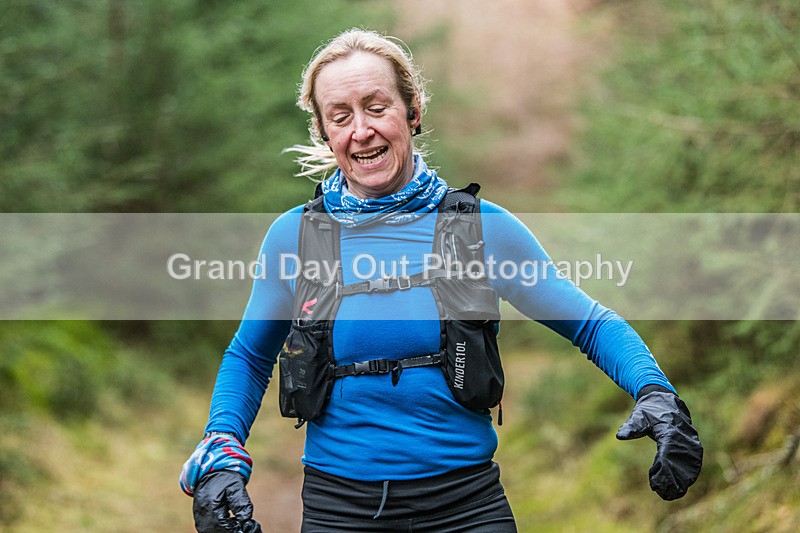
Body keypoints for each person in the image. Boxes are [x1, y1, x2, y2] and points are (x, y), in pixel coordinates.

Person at [180, 28, 703, 532]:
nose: (361, 130)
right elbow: (248, 357)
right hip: (339, 510)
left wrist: (655, 392)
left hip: (467, 507)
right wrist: (222, 449)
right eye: (341, 117)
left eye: (376, 107)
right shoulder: (294, 237)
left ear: (413, 111)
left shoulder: (478, 228)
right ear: (324, 133)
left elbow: (589, 323)